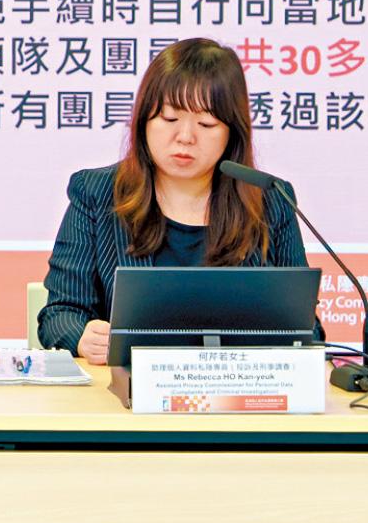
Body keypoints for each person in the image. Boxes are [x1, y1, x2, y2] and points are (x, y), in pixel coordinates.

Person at [37, 37, 318, 364]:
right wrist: (83, 337)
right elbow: (60, 314)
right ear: (144, 120)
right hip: (129, 390)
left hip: (240, 389)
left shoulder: (271, 200)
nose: (185, 137)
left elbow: (305, 328)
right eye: (170, 119)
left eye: (206, 123)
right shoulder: (96, 193)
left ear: (232, 132)